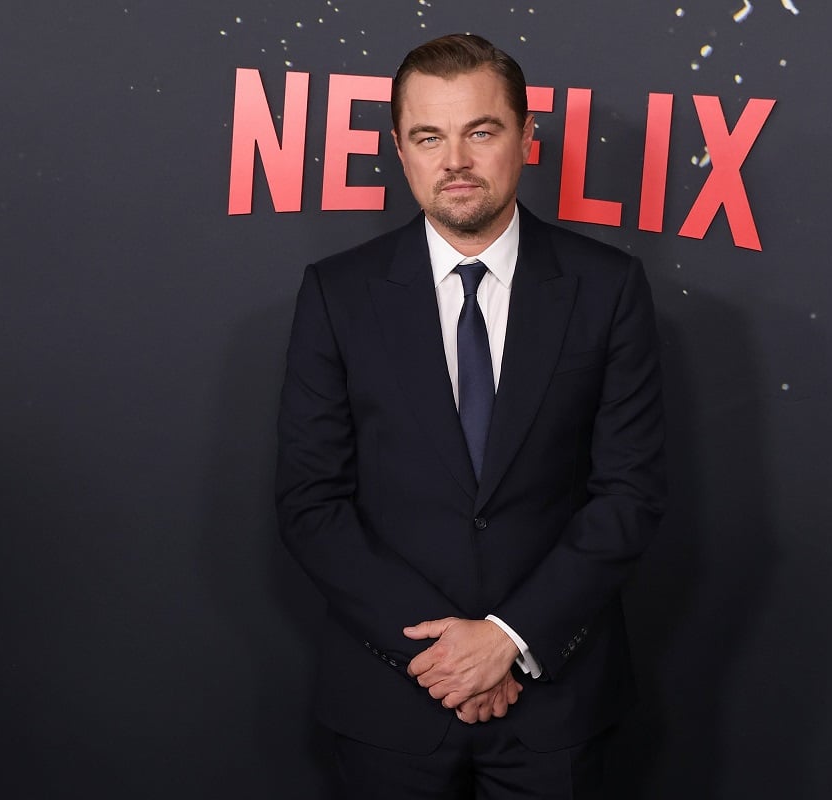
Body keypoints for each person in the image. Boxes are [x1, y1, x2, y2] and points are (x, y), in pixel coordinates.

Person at [275, 32, 668, 799]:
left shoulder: (608, 288)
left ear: (527, 137)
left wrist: (510, 641)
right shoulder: (337, 294)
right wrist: (447, 656)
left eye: (480, 131)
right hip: (389, 704)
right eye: (429, 135)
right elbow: (310, 503)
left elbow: (630, 494)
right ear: (399, 148)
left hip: (555, 703)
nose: (453, 159)